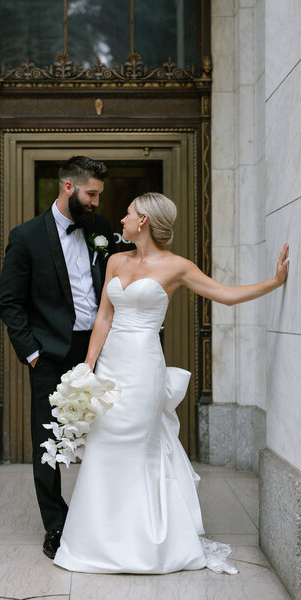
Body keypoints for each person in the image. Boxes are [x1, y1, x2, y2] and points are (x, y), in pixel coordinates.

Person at [53, 192, 289, 574]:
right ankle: (98, 540)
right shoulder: (115, 259)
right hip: (110, 365)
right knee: (105, 442)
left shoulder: (177, 266)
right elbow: (104, 319)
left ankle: (147, 543)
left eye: (128, 213)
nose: (122, 219)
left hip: (144, 366)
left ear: (143, 220)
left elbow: (225, 296)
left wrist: (274, 283)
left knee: (136, 444)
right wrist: (87, 368)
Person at [0, 156, 117, 559]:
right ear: (69, 188)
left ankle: (102, 516)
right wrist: (32, 353)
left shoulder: (100, 229)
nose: (97, 201)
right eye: (92, 194)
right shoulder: (27, 236)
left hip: (100, 350)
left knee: (105, 434)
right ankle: (56, 525)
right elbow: (9, 302)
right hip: (49, 355)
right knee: (48, 441)